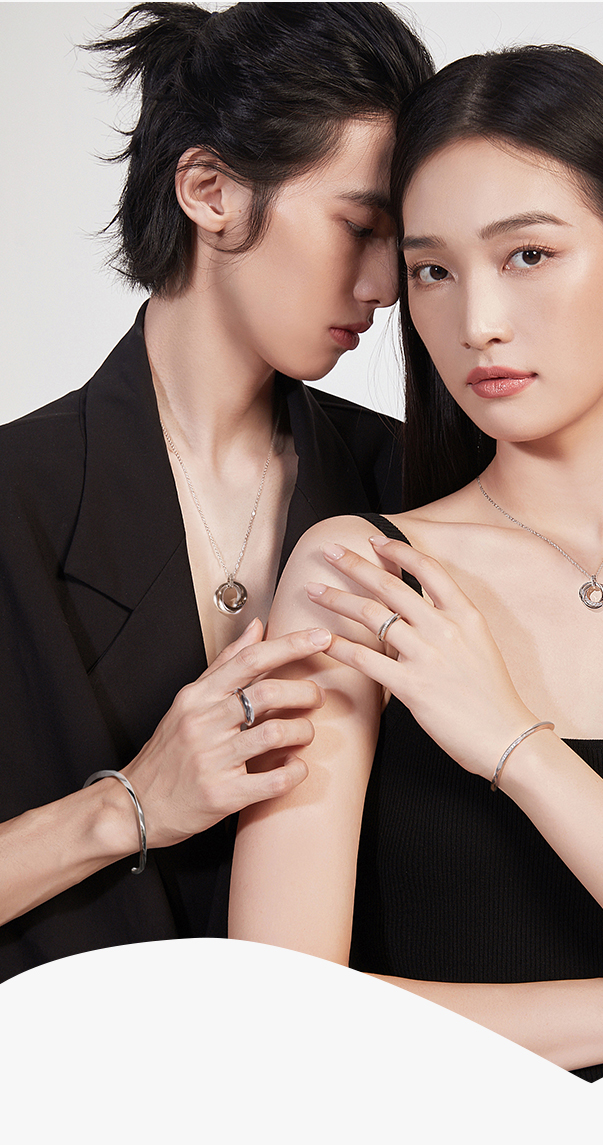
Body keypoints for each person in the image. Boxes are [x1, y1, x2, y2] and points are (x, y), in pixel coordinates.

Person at [229, 44, 603, 1080]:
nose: (476, 322)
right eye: (433, 271)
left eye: (527, 254)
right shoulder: (362, 575)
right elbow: (276, 1016)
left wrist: (514, 746)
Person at [0, 1, 433, 983]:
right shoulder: (16, 501)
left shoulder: (412, 489)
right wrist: (126, 806)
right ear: (210, 190)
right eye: (359, 225)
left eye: (402, 242)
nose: (386, 284)